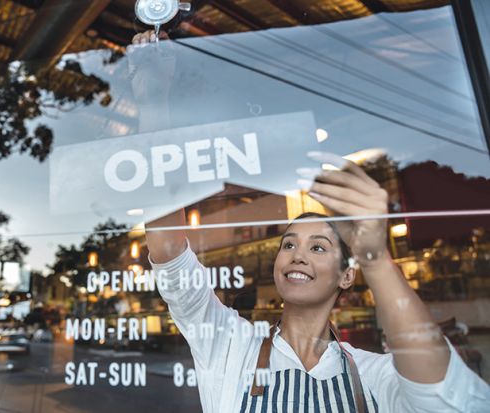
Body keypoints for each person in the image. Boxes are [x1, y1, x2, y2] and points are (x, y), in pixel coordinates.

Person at [131, 30, 490, 412]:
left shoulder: (374, 374)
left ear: (347, 275)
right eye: (289, 244)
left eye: (318, 246)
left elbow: (441, 395)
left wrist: (375, 257)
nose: (297, 255)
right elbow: (170, 256)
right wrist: (154, 103)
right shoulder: (230, 345)